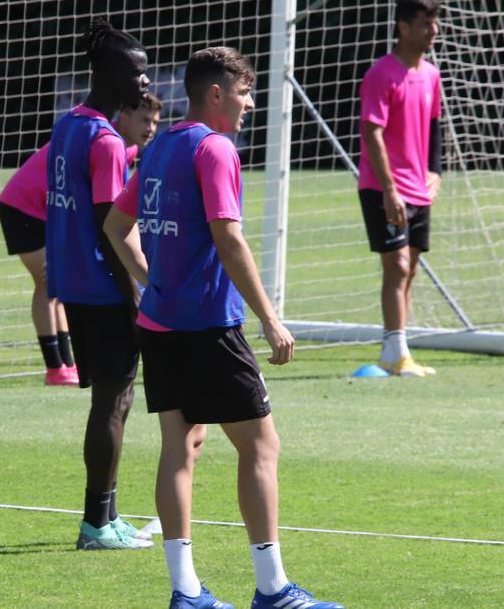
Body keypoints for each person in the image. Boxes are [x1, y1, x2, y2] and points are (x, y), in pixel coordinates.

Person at [105, 47, 344, 609]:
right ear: (216, 94)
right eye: (242, 93)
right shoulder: (215, 148)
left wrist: (154, 280)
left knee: (180, 447)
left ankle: (186, 592)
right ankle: (272, 589)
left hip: (159, 325)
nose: (249, 103)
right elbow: (228, 237)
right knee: (262, 446)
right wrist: (269, 316)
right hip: (210, 326)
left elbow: (117, 225)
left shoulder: (159, 145)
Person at [45, 18, 154, 550]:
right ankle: (95, 523)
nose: (145, 85)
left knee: (116, 399)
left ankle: (107, 516)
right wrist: (136, 295)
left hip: (75, 284)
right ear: (113, 75)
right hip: (104, 288)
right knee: (112, 402)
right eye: (137, 75)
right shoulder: (107, 141)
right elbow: (113, 228)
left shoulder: (68, 124)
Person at [0, 93, 162, 387]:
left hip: (42, 207)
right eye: (145, 119)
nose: (150, 127)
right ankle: (55, 367)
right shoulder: (105, 142)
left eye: (155, 122)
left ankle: (66, 363)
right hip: (22, 205)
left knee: (58, 286)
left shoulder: (121, 145)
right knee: (48, 284)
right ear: (123, 115)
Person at [358, 0, 444, 377]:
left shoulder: (431, 74)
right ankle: (393, 350)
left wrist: (435, 170)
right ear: (403, 27)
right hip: (383, 187)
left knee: (410, 270)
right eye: (425, 24)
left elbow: (434, 126)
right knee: (397, 265)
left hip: (418, 188)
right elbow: (372, 132)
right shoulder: (381, 74)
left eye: (435, 23)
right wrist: (390, 189)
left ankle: (398, 351)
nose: (433, 31)